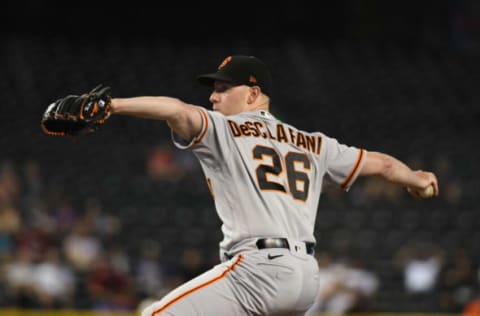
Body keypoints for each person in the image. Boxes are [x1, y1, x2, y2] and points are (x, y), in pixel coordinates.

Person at [106, 55, 439, 316]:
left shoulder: (226, 129)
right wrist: (416, 178)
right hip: (306, 278)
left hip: (258, 271)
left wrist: (112, 105)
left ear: (253, 94)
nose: (213, 96)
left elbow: (176, 109)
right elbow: (382, 164)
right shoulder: (313, 143)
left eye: (223, 88)